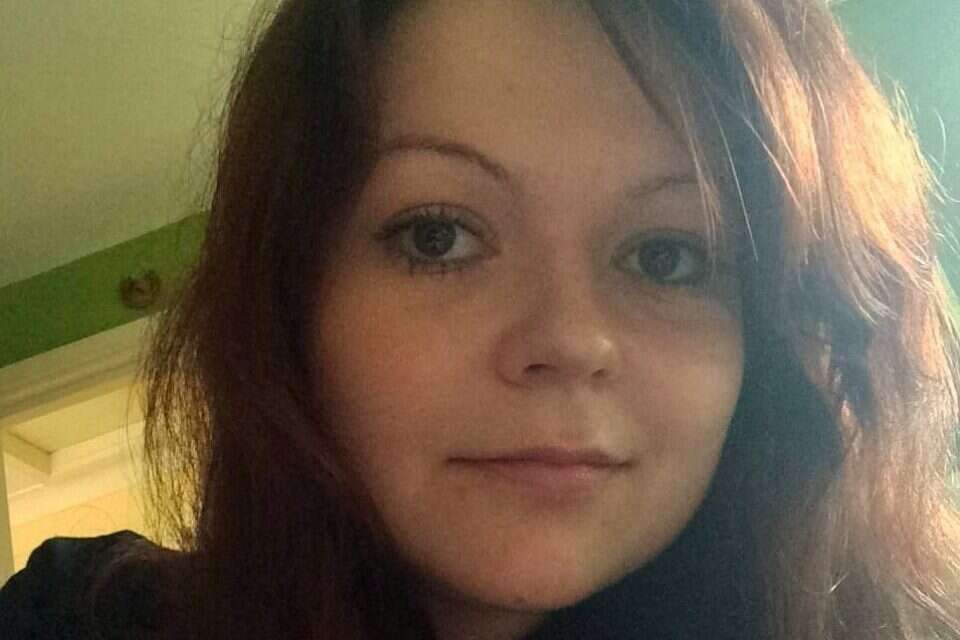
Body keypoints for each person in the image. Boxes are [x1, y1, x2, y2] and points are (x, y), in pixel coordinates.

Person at [2, 0, 959, 638]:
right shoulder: (79, 621)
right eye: (439, 237)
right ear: (290, 298)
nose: (569, 339)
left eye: (665, 256)